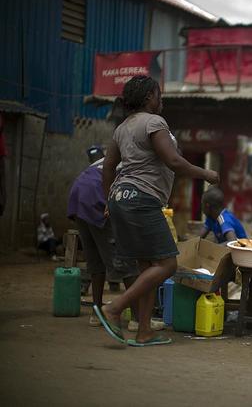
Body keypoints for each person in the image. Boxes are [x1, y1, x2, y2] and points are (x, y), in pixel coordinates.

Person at [96, 75, 219, 347]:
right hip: (142, 199)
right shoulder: (154, 122)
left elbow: (107, 168)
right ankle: (114, 308)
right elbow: (174, 161)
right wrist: (206, 174)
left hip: (121, 198)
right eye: (158, 94)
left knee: (147, 268)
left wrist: (108, 200)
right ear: (149, 97)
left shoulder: (122, 128)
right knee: (166, 264)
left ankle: (144, 331)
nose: (161, 99)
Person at [68, 148, 163, 331]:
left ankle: (96, 313)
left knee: (96, 261)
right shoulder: (142, 165)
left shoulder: (121, 157)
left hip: (79, 194)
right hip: (97, 197)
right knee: (125, 262)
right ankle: (137, 319)